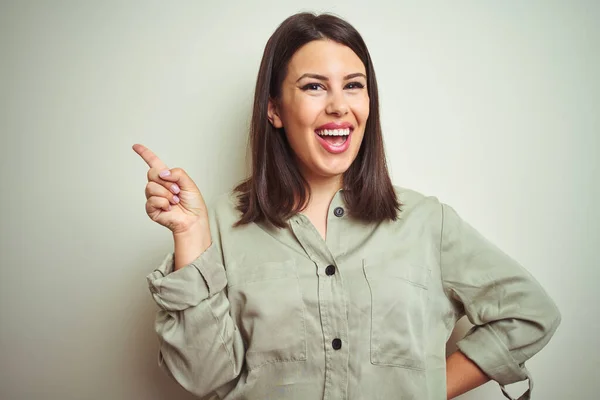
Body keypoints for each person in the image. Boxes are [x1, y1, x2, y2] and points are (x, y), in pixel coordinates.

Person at [133, 12, 560, 400]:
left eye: (353, 86)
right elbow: (205, 378)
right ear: (275, 109)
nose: (339, 105)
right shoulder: (220, 226)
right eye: (314, 86)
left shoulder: (427, 222)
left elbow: (530, 313)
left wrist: (428, 389)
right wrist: (189, 235)